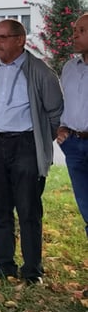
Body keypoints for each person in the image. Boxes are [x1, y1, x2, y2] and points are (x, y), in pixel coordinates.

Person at [0, 19, 62, 284]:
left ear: (20, 40)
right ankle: (4, 267)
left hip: (25, 145)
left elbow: (55, 112)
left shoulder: (40, 71)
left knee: (28, 210)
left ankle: (32, 270)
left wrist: (40, 141)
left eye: (2, 38)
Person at [59, 13, 88, 240]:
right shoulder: (69, 67)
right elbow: (64, 103)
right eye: (75, 30)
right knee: (86, 207)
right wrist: (61, 129)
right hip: (74, 146)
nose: (75, 35)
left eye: (82, 31)